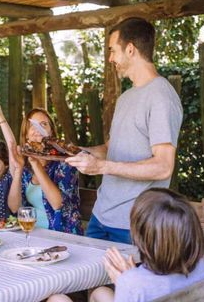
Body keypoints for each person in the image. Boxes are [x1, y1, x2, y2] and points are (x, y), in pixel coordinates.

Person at [66, 17, 183, 243]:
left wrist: (101, 167)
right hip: (101, 217)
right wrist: (72, 152)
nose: (110, 58)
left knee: (126, 280)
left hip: (134, 224)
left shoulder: (161, 97)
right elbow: (111, 148)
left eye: (112, 51)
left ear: (130, 49)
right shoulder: (126, 97)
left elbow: (163, 166)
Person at [48, 188, 204, 302]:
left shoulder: (133, 283)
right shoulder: (200, 267)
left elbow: (141, 288)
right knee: (101, 292)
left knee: (57, 299)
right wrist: (131, 277)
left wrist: (128, 282)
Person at [9, 108, 83, 234]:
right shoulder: (26, 167)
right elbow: (14, 207)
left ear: (51, 132)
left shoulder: (66, 161)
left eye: (43, 124)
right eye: (32, 125)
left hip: (62, 235)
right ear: (26, 134)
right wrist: (19, 169)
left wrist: (35, 162)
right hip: (33, 233)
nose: (37, 129)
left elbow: (57, 204)